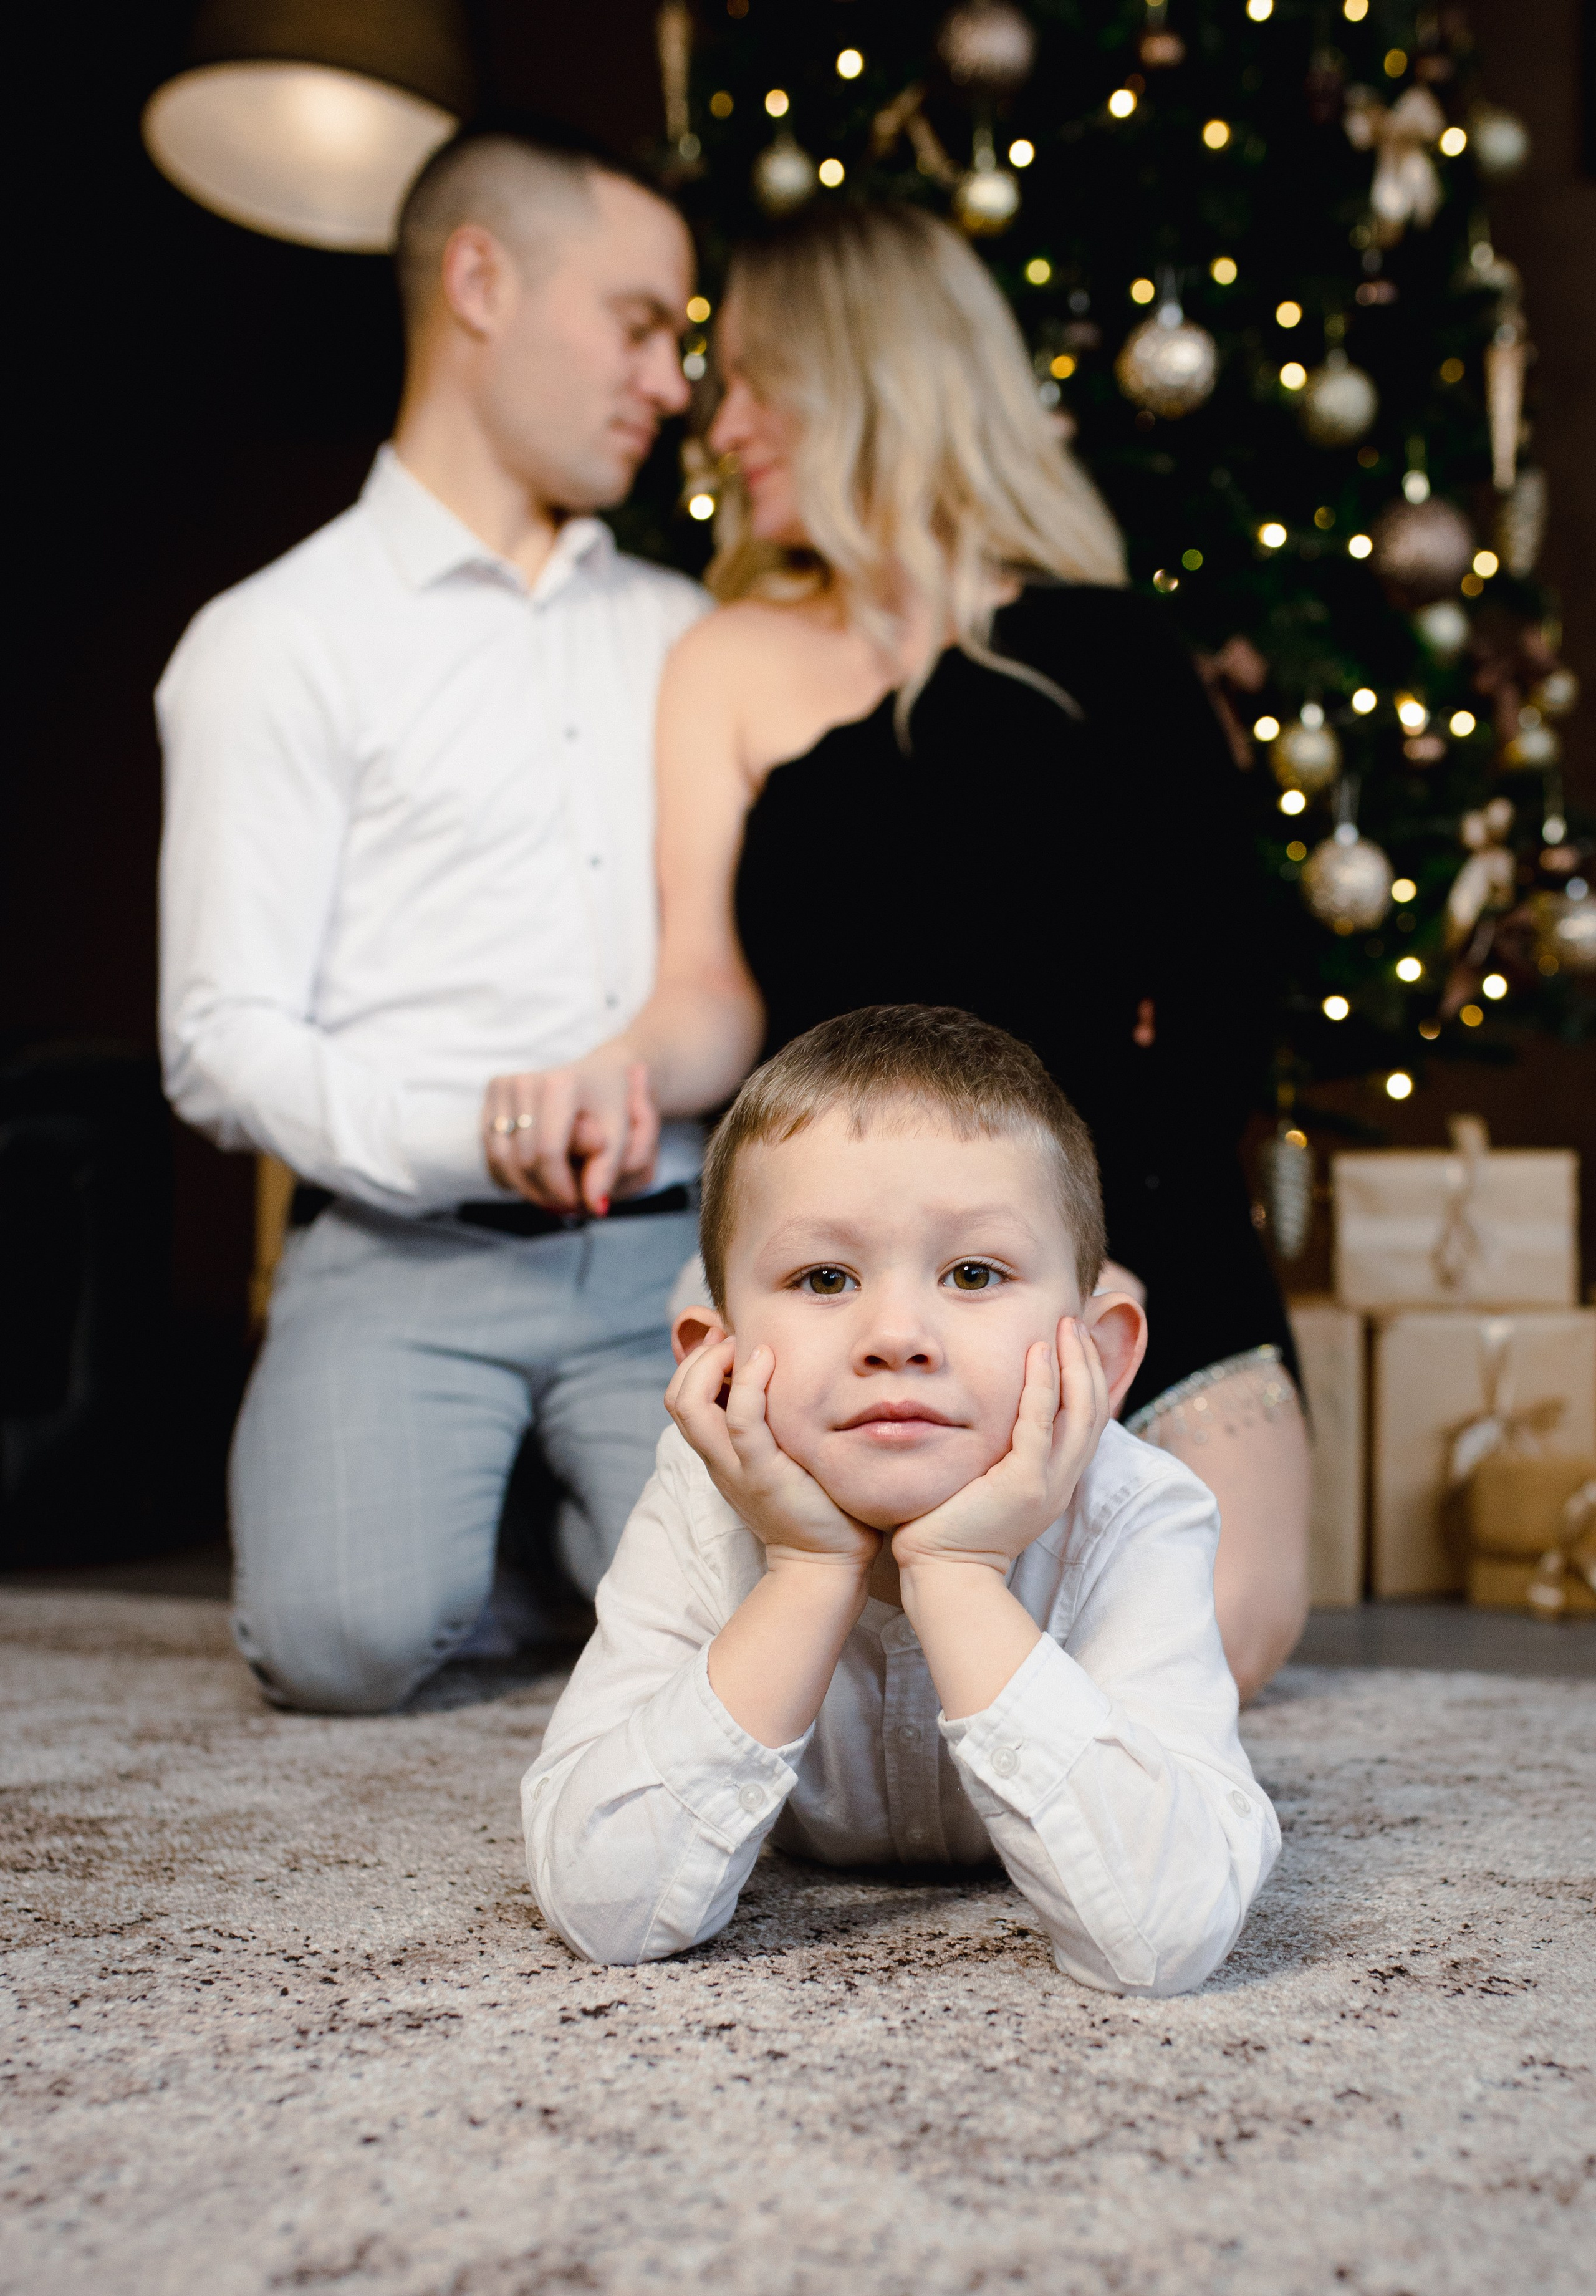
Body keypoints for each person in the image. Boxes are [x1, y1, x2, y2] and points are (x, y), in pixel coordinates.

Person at [516, 201, 1311, 1704]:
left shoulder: (1108, 651)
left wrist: (1086, 1263)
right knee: (808, 1654)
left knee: (1217, 1632)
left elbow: (1218, 1008)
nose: (718, 427)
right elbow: (709, 994)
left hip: (1125, 1220)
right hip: (844, 1247)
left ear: (870, 372)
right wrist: (615, 1065)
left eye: (755, 383)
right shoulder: (725, 662)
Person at [157, 122, 723, 1714]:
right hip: (400, 1256)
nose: (671, 384)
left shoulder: (686, 629)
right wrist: (469, 1129)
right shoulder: (275, 639)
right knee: (342, 1643)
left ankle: (541, 1522)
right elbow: (219, 1040)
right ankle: (496, 1519)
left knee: (762, 1641)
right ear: (479, 282)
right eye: (637, 326)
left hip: (664, 1257)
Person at [524, 1007, 1280, 1990]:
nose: (896, 1336)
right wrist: (805, 1570)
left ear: (1096, 1356)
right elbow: (605, 1906)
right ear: (718, 1360)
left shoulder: (1139, 1512)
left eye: (973, 1272)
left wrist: (959, 1575)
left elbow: (1168, 1933)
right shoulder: (698, 1499)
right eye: (824, 1277)